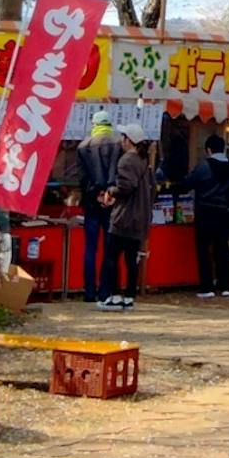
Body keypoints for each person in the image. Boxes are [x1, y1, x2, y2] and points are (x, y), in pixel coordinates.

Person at [73, 110, 125, 304]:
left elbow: (82, 178)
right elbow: (122, 173)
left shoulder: (83, 147)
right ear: (110, 124)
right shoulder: (119, 145)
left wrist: (96, 194)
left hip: (91, 203)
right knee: (110, 248)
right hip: (113, 203)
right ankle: (105, 291)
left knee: (90, 248)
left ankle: (89, 291)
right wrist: (110, 194)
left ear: (93, 124)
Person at [102, 133, 156, 309]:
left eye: (123, 137)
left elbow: (126, 187)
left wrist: (111, 191)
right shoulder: (145, 160)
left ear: (128, 141)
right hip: (140, 217)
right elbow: (152, 187)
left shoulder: (126, 160)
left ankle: (115, 295)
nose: (121, 141)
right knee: (131, 259)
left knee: (111, 257)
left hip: (124, 216)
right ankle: (130, 296)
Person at [189, 132, 229, 301]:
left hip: (205, 211)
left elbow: (187, 183)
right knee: (222, 248)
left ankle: (206, 286)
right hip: (224, 211)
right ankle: (225, 286)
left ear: (208, 150)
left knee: (204, 250)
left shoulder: (204, 166)